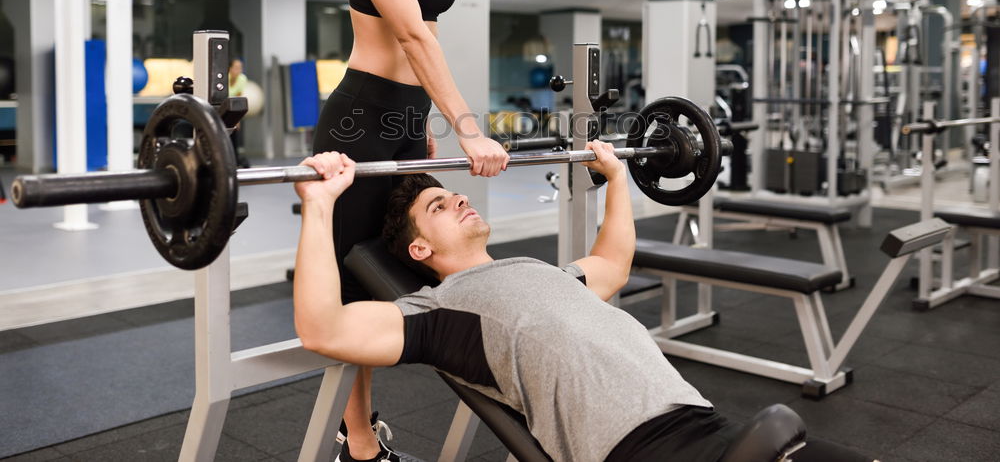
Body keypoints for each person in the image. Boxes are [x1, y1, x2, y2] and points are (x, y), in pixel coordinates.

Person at [292, 145, 877, 462]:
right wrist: (320, 207)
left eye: (454, 193)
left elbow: (613, 263)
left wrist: (618, 178)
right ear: (419, 247)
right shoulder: (440, 313)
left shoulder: (541, 273)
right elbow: (324, 329)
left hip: (710, 424)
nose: (460, 198)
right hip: (642, 452)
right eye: (440, 206)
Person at [311, 0, 515, 461]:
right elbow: (411, 37)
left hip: (403, 117)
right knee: (352, 278)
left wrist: (424, 118)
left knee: (402, 270)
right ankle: (358, 437)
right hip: (360, 117)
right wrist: (469, 126)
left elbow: (427, 29)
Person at [228, 58, 250, 168]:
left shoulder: (242, 79)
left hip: (231, 109)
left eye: (240, 68)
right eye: (236, 68)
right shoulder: (224, 79)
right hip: (219, 108)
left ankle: (234, 161)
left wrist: (237, 119)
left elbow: (238, 99)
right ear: (230, 69)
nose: (239, 70)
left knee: (234, 133)